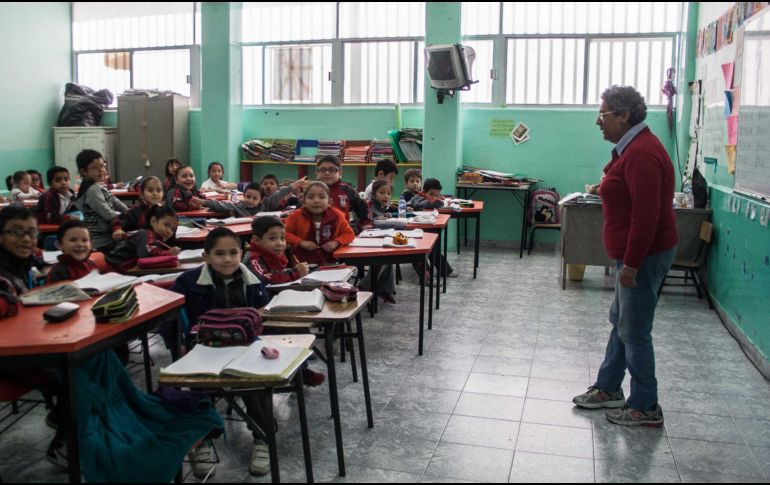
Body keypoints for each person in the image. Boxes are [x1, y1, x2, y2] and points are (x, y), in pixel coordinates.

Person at [573, 85, 677, 427]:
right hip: (635, 255)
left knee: (634, 330)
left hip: (644, 256)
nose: (598, 122)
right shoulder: (630, 148)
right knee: (622, 322)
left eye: (603, 116)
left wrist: (632, 263)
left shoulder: (642, 152)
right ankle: (608, 387)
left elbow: (646, 216)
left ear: (624, 115)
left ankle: (646, 405)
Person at [170, 227, 271, 478]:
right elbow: (169, 317)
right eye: (219, 253)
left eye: (233, 252)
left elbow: (264, 314)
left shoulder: (253, 281)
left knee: (256, 385)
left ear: (242, 252)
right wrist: (180, 344)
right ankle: (202, 439)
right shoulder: (187, 282)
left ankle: (262, 437)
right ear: (205, 257)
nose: (227, 259)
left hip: (244, 347)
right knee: (199, 388)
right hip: (204, 349)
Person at [0, 206, 67, 466]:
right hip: (9, 355)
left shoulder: (21, 265)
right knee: (77, 369)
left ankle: (70, 422)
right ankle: (65, 437)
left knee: (100, 356)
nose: (26, 239)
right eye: (16, 232)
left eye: (31, 232)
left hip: (24, 342)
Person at [245, 216, 326, 386]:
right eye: (272, 238)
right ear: (256, 241)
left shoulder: (275, 256)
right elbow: (266, 278)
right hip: (258, 315)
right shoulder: (253, 258)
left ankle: (299, 369)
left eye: (282, 238)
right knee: (295, 329)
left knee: (301, 324)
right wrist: (295, 274)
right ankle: (300, 372)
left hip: (271, 305)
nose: (280, 243)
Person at [284, 181, 355, 265]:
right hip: (302, 263)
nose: (316, 201)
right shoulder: (295, 216)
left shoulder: (337, 216)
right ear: (303, 201)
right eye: (311, 197)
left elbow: (349, 234)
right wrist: (301, 242)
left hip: (331, 262)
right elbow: (285, 234)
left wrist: (336, 242)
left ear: (329, 202)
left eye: (322, 197)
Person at [73, 149, 128, 252]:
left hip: (109, 237)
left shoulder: (100, 186)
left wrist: (128, 211)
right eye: (96, 168)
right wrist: (129, 216)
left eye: (103, 165)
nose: (102, 170)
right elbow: (108, 213)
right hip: (101, 243)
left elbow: (115, 202)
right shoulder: (92, 190)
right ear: (83, 172)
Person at [106, 205, 181, 272]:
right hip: (113, 272)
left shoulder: (156, 239)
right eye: (166, 225)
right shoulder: (146, 234)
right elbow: (146, 257)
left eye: (172, 229)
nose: (169, 231)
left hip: (125, 270)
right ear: (153, 221)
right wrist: (168, 253)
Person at [315, 155, 370, 230]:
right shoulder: (312, 190)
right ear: (317, 173)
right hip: (315, 232)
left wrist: (366, 223)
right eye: (322, 170)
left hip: (341, 232)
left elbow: (361, 205)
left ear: (340, 173)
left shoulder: (346, 189)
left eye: (332, 170)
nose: (327, 173)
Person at [204, 180, 307, 217]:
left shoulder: (265, 205)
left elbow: (278, 194)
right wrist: (204, 202)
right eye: (248, 197)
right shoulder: (239, 206)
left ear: (261, 199)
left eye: (254, 198)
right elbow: (221, 205)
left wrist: (292, 186)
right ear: (244, 196)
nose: (250, 200)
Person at [367, 180, 397, 303]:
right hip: (368, 240)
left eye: (389, 193)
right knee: (384, 258)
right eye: (382, 193)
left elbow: (385, 214)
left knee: (389, 257)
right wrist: (376, 219)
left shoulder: (382, 206)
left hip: (380, 238)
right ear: (374, 194)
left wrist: (389, 214)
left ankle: (384, 290)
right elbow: (367, 220)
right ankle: (365, 286)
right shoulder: (369, 205)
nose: (386, 196)